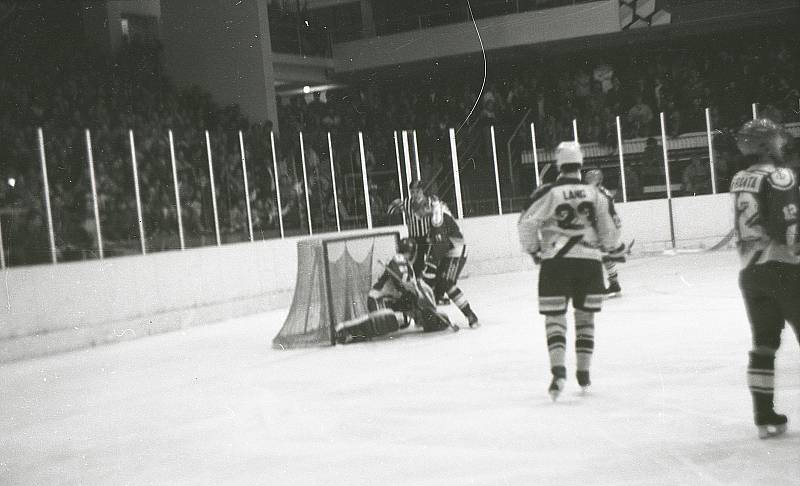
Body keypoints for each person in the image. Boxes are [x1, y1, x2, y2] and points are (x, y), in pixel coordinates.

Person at [518, 141, 622, 401]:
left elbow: (526, 223)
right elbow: (609, 230)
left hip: (556, 262)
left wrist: (534, 250)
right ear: (581, 164)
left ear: (558, 164)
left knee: (555, 319)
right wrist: (610, 247)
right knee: (585, 319)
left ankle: (558, 373)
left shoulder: (548, 192)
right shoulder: (595, 194)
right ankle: (584, 375)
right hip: (589, 262)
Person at [729, 118, 800, 439]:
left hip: (751, 273)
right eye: (776, 140)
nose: (781, 144)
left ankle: (764, 415)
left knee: (763, 346)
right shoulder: (780, 176)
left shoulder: (739, 179)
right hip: (782, 268)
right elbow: (787, 229)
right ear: (767, 145)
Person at [334, 237, 454, 343]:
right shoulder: (399, 259)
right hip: (379, 299)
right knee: (390, 320)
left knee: (403, 315)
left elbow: (409, 288)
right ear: (412, 253)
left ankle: (421, 319)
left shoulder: (408, 266)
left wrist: (423, 307)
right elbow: (400, 282)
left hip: (393, 301)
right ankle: (345, 328)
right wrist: (406, 286)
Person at [412, 195, 480, 329]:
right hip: (450, 249)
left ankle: (470, 316)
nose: (417, 215)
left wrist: (430, 266)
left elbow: (440, 245)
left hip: (456, 251)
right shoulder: (436, 211)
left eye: (418, 211)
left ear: (425, 207)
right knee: (435, 283)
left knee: (446, 283)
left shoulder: (437, 218)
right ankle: (429, 317)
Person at [584, 169, 625, 297]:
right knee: (605, 257)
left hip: (601, 228)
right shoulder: (605, 191)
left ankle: (600, 288)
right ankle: (615, 284)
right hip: (610, 227)